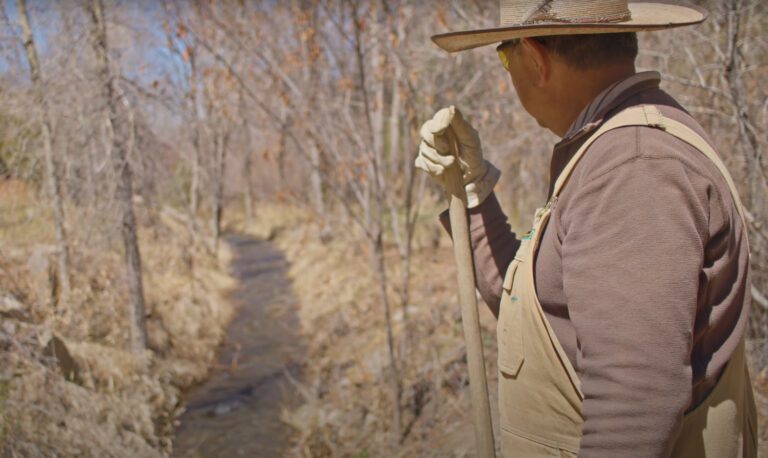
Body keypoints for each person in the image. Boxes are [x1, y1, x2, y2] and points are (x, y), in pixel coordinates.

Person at [415, 1, 757, 457]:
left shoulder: (633, 167)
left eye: (504, 57)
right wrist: (473, 192)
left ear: (535, 57)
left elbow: (633, 410)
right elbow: (542, 316)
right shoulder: (617, 144)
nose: (508, 73)